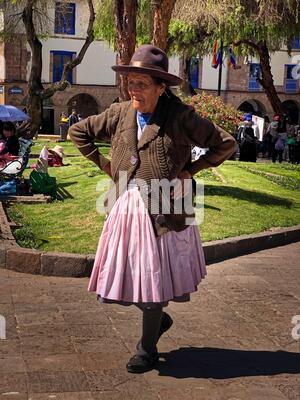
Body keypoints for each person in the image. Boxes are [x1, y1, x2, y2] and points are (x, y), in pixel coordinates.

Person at [69, 45, 237, 374]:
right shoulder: (119, 113)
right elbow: (79, 132)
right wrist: (105, 165)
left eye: (142, 84)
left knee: (153, 282)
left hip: (166, 210)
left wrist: (191, 170)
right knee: (129, 276)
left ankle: (146, 347)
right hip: (125, 208)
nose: (134, 89)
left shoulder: (180, 116)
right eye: (130, 82)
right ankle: (158, 318)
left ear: (161, 87)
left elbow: (226, 143)